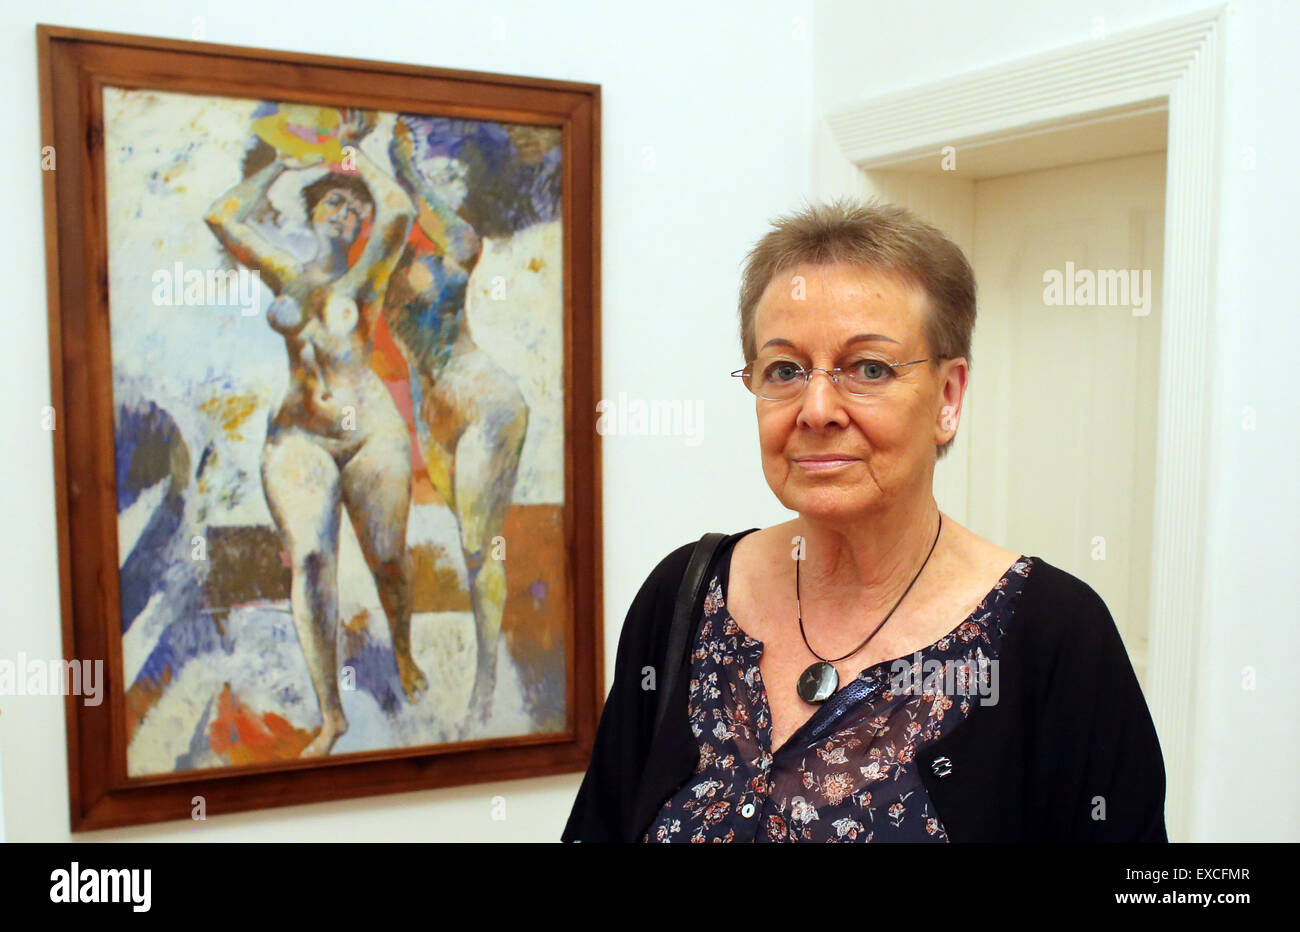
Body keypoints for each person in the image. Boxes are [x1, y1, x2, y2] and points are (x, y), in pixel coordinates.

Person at [562, 199, 1167, 842]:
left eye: (869, 369)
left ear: (949, 397)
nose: (816, 409)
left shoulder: (1056, 635)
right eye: (785, 370)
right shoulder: (684, 594)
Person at [204, 110, 424, 757]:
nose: (347, 213)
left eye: (353, 208)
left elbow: (399, 211)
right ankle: (332, 716)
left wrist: (353, 156)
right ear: (310, 210)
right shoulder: (284, 269)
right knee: (309, 561)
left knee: (387, 558)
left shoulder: (368, 276)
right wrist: (284, 161)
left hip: (369, 432)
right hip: (299, 436)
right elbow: (221, 217)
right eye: (333, 201)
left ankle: (404, 652)